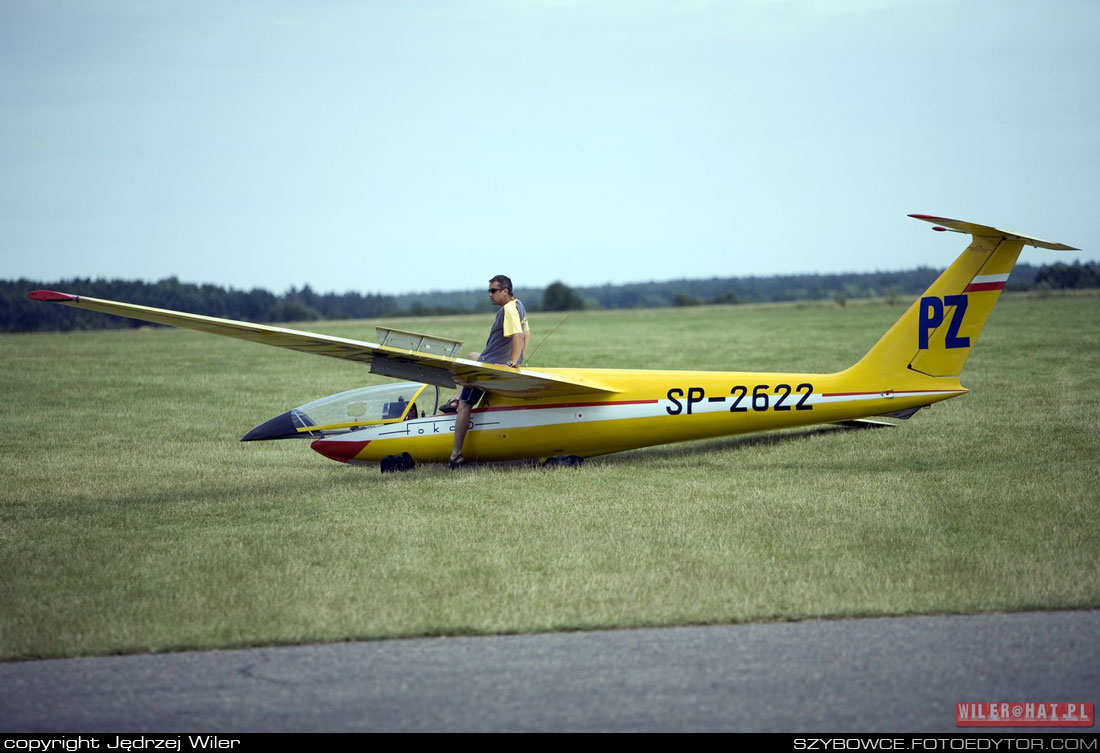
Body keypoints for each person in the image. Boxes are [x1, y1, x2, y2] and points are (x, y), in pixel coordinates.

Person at [448, 275, 530, 468]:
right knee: (470, 356)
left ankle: (455, 454)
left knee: (465, 407)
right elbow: (527, 333)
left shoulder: (508, 309)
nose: (490, 295)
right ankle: (454, 397)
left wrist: (512, 363)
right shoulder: (519, 305)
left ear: (505, 291)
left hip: (489, 367)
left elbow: (518, 335)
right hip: (492, 361)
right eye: (489, 291)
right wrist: (520, 360)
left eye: (493, 291)